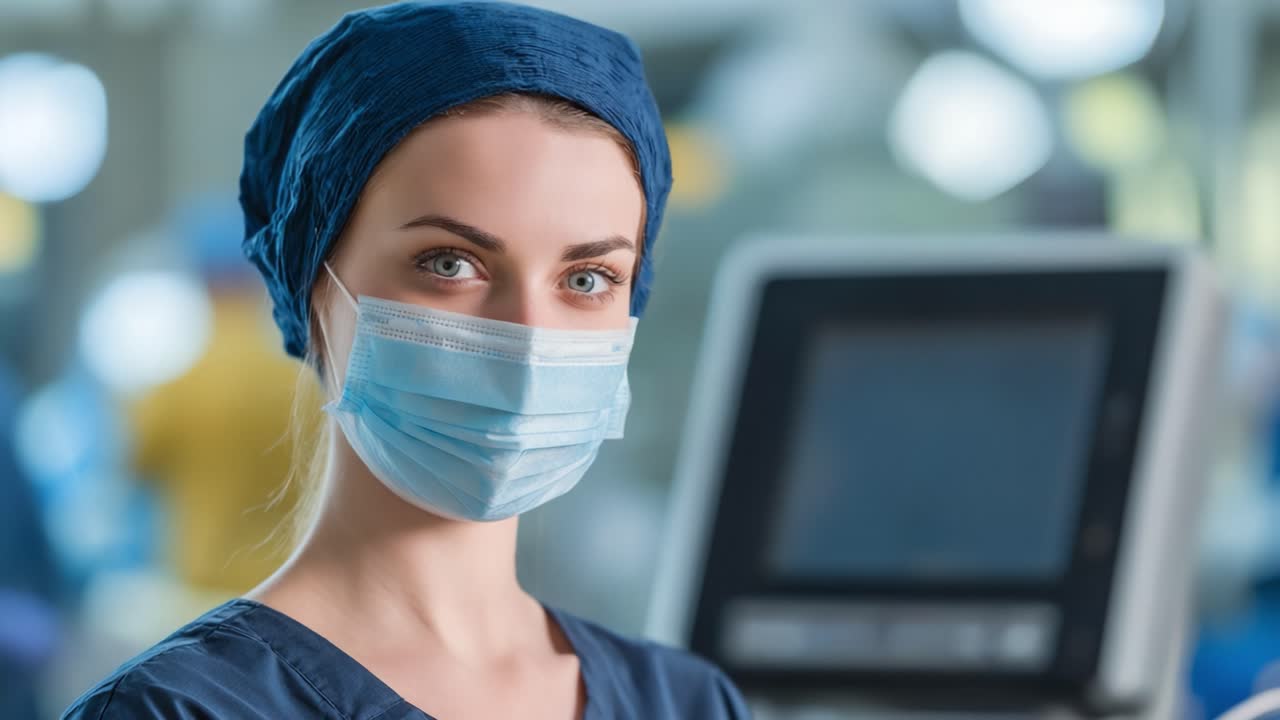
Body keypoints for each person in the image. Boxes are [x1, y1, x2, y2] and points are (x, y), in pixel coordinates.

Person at [62, 2, 749, 718]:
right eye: (449, 262)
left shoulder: (685, 701)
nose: (527, 336)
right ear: (313, 283)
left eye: (586, 279)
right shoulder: (179, 710)